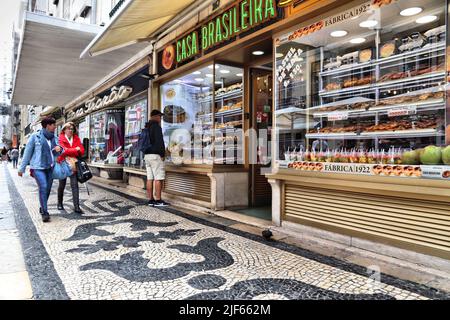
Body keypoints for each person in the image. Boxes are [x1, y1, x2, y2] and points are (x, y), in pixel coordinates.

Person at [18, 117, 63, 222]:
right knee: (43, 186)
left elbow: (60, 149)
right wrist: (22, 168)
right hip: (38, 167)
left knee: (47, 189)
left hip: (50, 166)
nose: (55, 126)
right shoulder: (35, 136)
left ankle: (43, 206)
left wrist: (59, 149)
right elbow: (27, 153)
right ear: (47, 126)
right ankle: (45, 212)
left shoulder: (54, 137)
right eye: (53, 125)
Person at [57, 122, 85, 214]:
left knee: (75, 185)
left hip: (73, 164)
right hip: (63, 164)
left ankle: (76, 206)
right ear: (64, 129)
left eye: (72, 129)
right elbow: (63, 151)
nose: (70, 130)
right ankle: (60, 203)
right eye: (68, 128)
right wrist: (75, 149)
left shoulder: (76, 138)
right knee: (62, 185)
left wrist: (72, 151)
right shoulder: (60, 138)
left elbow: (82, 150)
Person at [143, 110, 169, 207]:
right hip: (155, 156)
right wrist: (162, 154)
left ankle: (150, 200)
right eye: (159, 116)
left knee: (150, 178)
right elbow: (159, 142)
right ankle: (158, 200)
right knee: (159, 177)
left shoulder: (147, 127)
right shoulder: (156, 127)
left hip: (147, 156)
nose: (160, 118)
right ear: (155, 116)